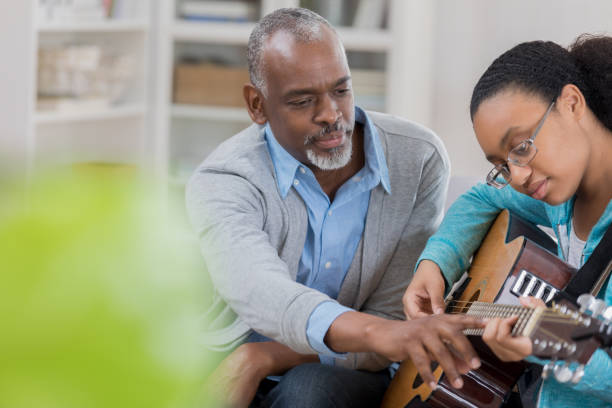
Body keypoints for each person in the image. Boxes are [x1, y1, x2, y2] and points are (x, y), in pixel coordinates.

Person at [186, 7, 484, 408]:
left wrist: (261, 358)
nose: (331, 115)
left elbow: (392, 323)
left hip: (343, 366)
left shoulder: (418, 158)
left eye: (341, 91)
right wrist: (243, 358)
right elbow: (259, 289)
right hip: (221, 357)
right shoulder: (224, 179)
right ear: (256, 105)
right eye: (302, 100)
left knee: (310, 392)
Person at [403, 34, 612, 408]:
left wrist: (555, 345)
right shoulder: (558, 197)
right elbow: (481, 196)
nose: (516, 176)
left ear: (572, 103)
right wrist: (437, 262)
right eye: (501, 165)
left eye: (521, 147)